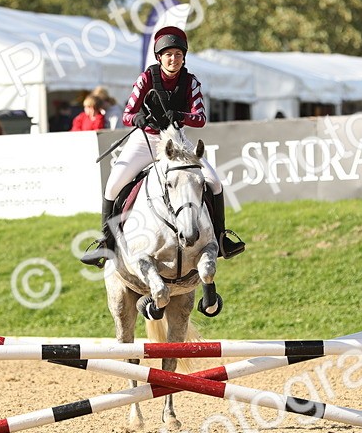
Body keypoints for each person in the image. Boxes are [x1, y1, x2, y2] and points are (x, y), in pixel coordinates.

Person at [80, 26, 245, 267]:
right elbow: (128, 113)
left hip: (176, 140)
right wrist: (137, 118)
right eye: (168, 54)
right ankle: (106, 243)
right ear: (159, 57)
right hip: (146, 139)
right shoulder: (146, 78)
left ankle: (221, 239)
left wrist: (179, 114)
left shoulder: (191, 82)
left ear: (184, 57)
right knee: (113, 185)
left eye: (178, 55)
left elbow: (200, 118)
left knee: (214, 182)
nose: (174, 59)